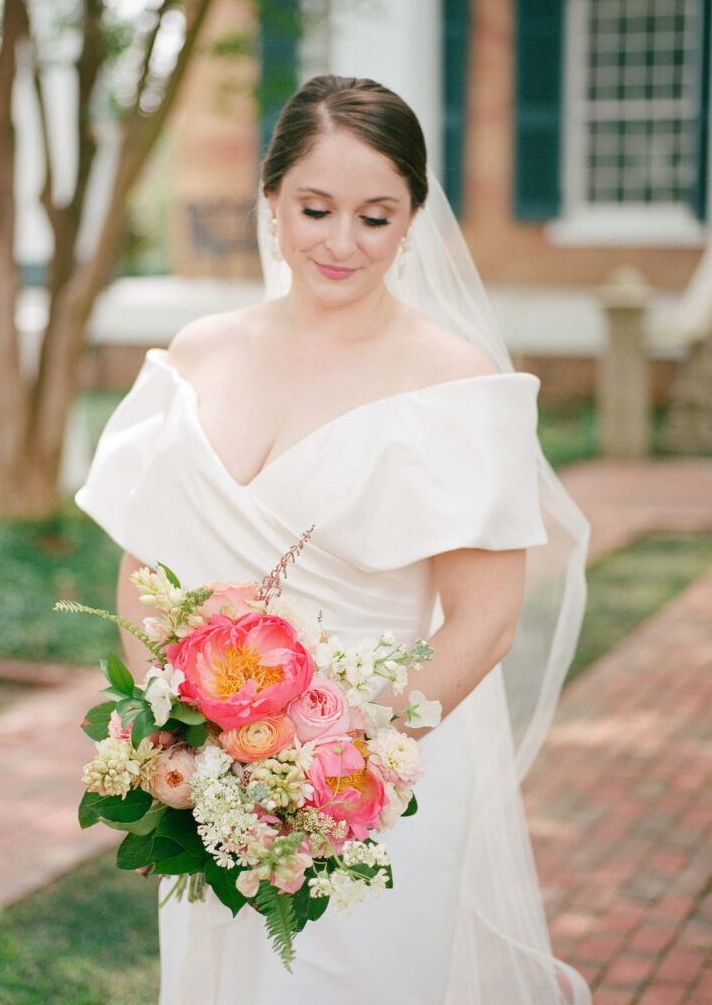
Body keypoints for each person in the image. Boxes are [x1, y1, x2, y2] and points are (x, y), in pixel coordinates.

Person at [76, 75, 592, 1004]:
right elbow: (143, 572)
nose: (341, 242)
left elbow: (486, 621)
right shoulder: (199, 352)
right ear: (271, 201)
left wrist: (341, 759)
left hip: (374, 791)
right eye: (316, 208)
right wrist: (175, 738)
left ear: (412, 222)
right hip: (212, 787)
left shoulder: (453, 379)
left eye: (376, 216)